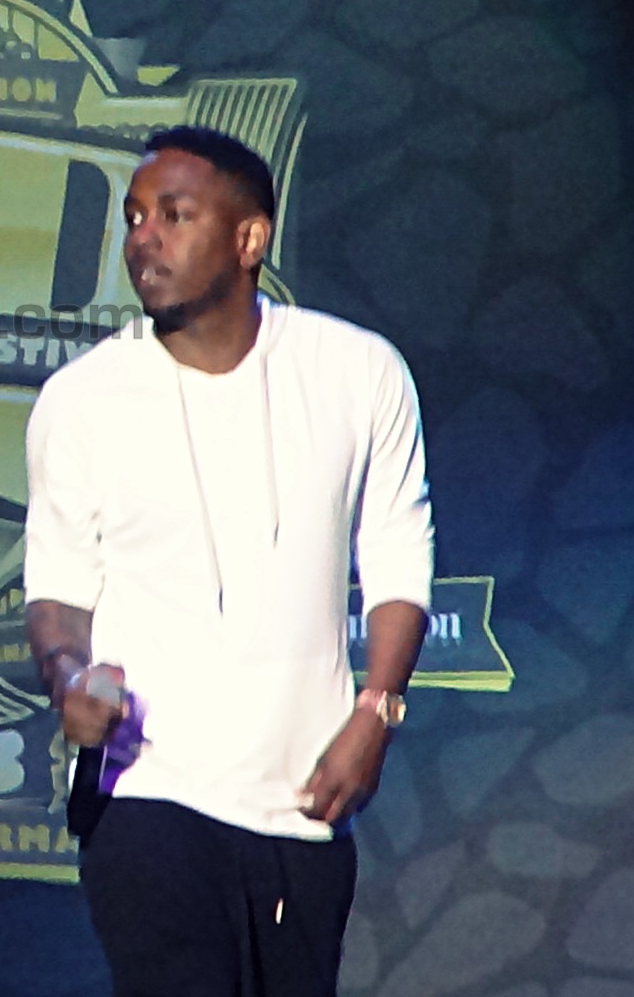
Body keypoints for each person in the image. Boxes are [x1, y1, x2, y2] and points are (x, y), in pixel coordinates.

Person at [24, 125, 434, 997]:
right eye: (135, 217)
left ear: (250, 239)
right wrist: (69, 679)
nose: (144, 238)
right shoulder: (83, 400)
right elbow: (58, 591)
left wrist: (376, 713)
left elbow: (398, 557)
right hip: (146, 795)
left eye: (174, 216)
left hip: (303, 806)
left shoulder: (358, 373)